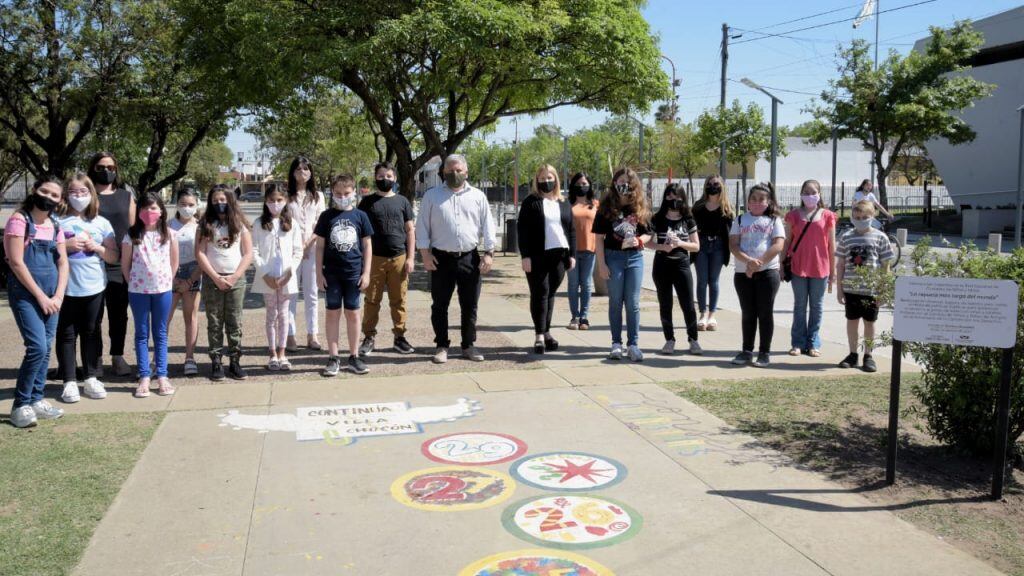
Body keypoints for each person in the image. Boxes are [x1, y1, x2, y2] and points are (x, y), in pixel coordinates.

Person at [416, 154, 496, 364]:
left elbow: (488, 225)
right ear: (443, 172)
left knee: (470, 305)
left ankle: (468, 345)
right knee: (439, 305)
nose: (455, 174)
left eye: (459, 170)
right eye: (450, 170)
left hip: (470, 258)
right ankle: (442, 345)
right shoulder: (432, 196)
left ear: (466, 172)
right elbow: (422, 226)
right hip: (440, 259)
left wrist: (489, 253)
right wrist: (425, 254)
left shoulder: (478, 196)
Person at [5, 177, 69, 428]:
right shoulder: (19, 220)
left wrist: (58, 296)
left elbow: (63, 262)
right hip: (26, 295)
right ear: (34, 191)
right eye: (45, 191)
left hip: (53, 295)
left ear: (60, 201)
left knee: (46, 347)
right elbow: (16, 262)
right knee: (37, 348)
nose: (49, 197)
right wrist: (41, 297)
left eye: (55, 195)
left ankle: (36, 399)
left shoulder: (55, 224)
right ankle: (20, 405)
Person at [56, 173, 118, 403]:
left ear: (91, 195)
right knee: (67, 334)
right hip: (65, 288)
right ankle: (70, 381)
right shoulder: (56, 221)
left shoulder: (101, 223)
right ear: (65, 195)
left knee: (92, 331)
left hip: (94, 287)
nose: (79, 196)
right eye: (73, 192)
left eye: (83, 192)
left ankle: (91, 377)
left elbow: (113, 256)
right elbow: (46, 252)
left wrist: (98, 248)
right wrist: (65, 246)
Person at [315, 174, 374, 376]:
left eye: (346, 193)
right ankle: (333, 357)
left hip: (353, 274)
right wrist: (318, 274)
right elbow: (320, 247)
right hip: (331, 275)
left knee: (353, 314)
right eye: (338, 193)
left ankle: (354, 356)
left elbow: (367, 245)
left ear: (354, 192)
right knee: (332, 314)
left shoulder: (360, 216)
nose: (342, 197)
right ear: (332, 193)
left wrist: (366, 272)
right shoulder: (326, 216)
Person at [122, 192, 178, 398]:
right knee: (141, 334)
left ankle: (162, 375)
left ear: (162, 211)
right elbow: (125, 265)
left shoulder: (170, 234)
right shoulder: (131, 235)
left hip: (162, 291)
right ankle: (144, 375)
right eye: (145, 208)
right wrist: (133, 283)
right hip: (138, 292)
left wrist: (166, 282)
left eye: (153, 208)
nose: (149, 212)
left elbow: (174, 262)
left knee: (161, 333)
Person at [357, 162, 416, 357]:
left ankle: (399, 336)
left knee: (399, 300)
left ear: (395, 178)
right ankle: (368, 337)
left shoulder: (402, 201)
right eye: (381, 176)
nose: (385, 179)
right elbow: (360, 233)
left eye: (389, 176)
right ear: (375, 177)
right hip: (374, 258)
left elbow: (410, 230)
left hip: (399, 258)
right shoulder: (366, 203)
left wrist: (411, 258)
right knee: (372, 300)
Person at [195, 184, 253, 381]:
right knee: (215, 321)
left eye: (223, 200)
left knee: (234, 321)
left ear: (230, 200)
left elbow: (248, 253)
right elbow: (200, 253)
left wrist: (235, 276)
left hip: (236, 280)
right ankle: (216, 361)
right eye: (215, 200)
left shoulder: (239, 224)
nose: (219, 204)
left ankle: (235, 361)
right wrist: (215, 277)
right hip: (213, 279)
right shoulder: (205, 224)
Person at [594, 168, 652, 362]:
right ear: (614, 183)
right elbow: (599, 238)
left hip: (634, 258)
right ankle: (616, 343)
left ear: (634, 184)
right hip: (613, 257)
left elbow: (648, 232)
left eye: (626, 181)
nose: (623, 184)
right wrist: (601, 264)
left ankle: (633, 345)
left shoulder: (639, 206)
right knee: (616, 301)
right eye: (619, 181)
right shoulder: (607, 206)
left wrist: (640, 240)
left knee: (633, 303)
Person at [517, 164, 576, 353]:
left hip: (559, 255)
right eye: (542, 178)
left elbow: (571, 230)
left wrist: (572, 254)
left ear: (556, 179)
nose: (546, 181)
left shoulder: (564, 202)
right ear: (537, 180)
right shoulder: (530, 202)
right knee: (540, 293)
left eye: (550, 178)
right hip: (537, 256)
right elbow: (522, 230)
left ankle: (547, 332)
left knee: (550, 294)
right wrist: (525, 256)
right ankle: (539, 336)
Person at [729, 182, 786, 368]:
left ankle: (764, 352)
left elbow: (778, 245)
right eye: (753, 199)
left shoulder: (774, 221)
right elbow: (734, 245)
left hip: (767, 273)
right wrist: (748, 262)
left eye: (761, 199)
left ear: (768, 201)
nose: (757, 202)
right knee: (748, 313)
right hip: (743, 274)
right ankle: (747, 350)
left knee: (765, 313)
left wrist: (758, 263)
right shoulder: (739, 220)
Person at [836, 200, 895, 373]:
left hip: (871, 290)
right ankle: (852, 354)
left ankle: (868, 355)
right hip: (851, 290)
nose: (861, 219)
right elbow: (840, 265)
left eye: (865, 217)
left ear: (873, 216)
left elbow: (886, 266)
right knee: (852, 322)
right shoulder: (846, 237)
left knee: (870, 322)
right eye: (857, 217)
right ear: (852, 217)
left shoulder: (880, 237)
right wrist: (840, 289)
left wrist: (884, 290)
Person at [91, 152, 136, 377]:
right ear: (93, 168)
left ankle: (117, 356)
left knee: (119, 314)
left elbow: (135, 231)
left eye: (110, 167)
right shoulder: (85, 196)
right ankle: (95, 359)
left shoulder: (126, 197)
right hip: (90, 263)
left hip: (120, 264)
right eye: (101, 166)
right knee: (94, 315)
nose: (106, 170)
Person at [252, 185, 303, 371]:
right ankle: (272, 353)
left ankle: (283, 354)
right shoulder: (259, 223)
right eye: (272, 200)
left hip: (286, 278)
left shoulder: (292, 224)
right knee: (271, 315)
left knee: (284, 316)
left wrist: (290, 272)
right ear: (266, 201)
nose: (275, 204)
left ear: (286, 201)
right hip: (268, 278)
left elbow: (298, 251)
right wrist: (264, 274)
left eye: (279, 200)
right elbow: (254, 250)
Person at [783, 180, 837, 357]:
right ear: (801, 194)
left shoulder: (828, 215)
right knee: (799, 305)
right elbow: (787, 241)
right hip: (798, 266)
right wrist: (781, 265)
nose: (809, 195)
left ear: (819, 193)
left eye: (813, 191)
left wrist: (833, 272)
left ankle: (813, 342)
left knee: (817, 306)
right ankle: (797, 343)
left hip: (821, 267)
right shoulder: (793, 215)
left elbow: (831, 246)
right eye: (806, 192)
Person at [648, 184, 701, 356]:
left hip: (682, 265)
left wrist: (680, 243)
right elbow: (648, 242)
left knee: (688, 304)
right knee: (665, 304)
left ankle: (693, 340)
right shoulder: (657, 218)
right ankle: (669, 340)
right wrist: (662, 247)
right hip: (662, 265)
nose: (673, 200)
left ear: (683, 198)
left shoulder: (688, 219)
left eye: (677, 197)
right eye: (669, 197)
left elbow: (696, 246)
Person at [286, 156, 325, 351]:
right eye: (299, 169)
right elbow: (282, 223)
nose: (303, 172)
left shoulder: (318, 196)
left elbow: (320, 222)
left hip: (312, 250)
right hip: (291, 251)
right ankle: (290, 334)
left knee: (311, 293)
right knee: (290, 293)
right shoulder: (286, 196)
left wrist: (308, 243)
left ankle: (313, 334)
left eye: (306, 169)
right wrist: (296, 246)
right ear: (293, 172)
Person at [168, 189, 203, 376]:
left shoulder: (200, 226)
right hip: (171, 273)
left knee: (191, 317)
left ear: (197, 205)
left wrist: (190, 280)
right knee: (164, 318)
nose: (187, 208)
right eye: (183, 204)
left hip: (193, 272)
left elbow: (202, 256)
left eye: (191, 205)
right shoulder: (168, 225)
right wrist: (172, 278)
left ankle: (190, 357)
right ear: (176, 204)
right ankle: (157, 359)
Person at [692, 175, 734, 332]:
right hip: (701, 245)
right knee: (702, 280)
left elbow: (731, 231)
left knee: (714, 280)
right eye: (709, 184)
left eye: (716, 184)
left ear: (722, 186)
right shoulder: (698, 206)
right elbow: (691, 226)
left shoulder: (726, 208)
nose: (712, 186)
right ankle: (702, 314)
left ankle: (712, 315)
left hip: (718, 246)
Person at [566, 172, 598, 331]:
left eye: (585, 183)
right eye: (579, 184)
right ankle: (574, 317)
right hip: (571, 252)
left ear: (590, 185)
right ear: (573, 186)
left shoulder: (595, 205)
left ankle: (584, 317)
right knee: (573, 284)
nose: (582, 186)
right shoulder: (567, 204)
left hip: (590, 250)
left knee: (586, 284)